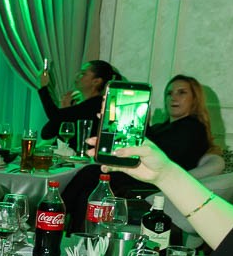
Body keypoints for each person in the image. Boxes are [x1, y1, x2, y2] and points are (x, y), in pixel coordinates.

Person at [59, 74, 217, 225]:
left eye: (181, 92)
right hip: (140, 175)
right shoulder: (163, 126)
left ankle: (56, 214)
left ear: (194, 99)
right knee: (88, 190)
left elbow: (163, 155)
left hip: (156, 185)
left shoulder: (193, 127)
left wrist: (142, 124)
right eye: (169, 93)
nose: (173, 98)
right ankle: (70, 229)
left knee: (90, 173)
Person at [37, 59, 120, 141]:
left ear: (96, 81)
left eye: (83, 74)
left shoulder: (96, 105)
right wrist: (64, 111)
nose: (77, 76)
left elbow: (54, 116)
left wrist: (43, 88)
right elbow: (47, 133)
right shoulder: (81, 106)